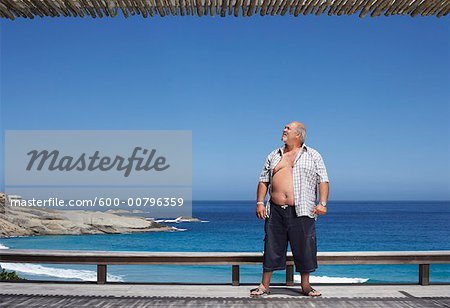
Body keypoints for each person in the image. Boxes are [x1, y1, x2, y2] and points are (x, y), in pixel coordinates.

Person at [250, 121, 329, 297]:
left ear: (298, 135)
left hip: (303, 210)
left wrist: (322, 203)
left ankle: (306, 286)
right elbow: (264, 180)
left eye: (288, 128)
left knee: (305, 248)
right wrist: (260, 202)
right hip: (276, 210)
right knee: (271, 246)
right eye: (284, 127)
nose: (284, 130)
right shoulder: (274, 155)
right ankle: (264, 286)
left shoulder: (313, 155)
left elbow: (323, 179)